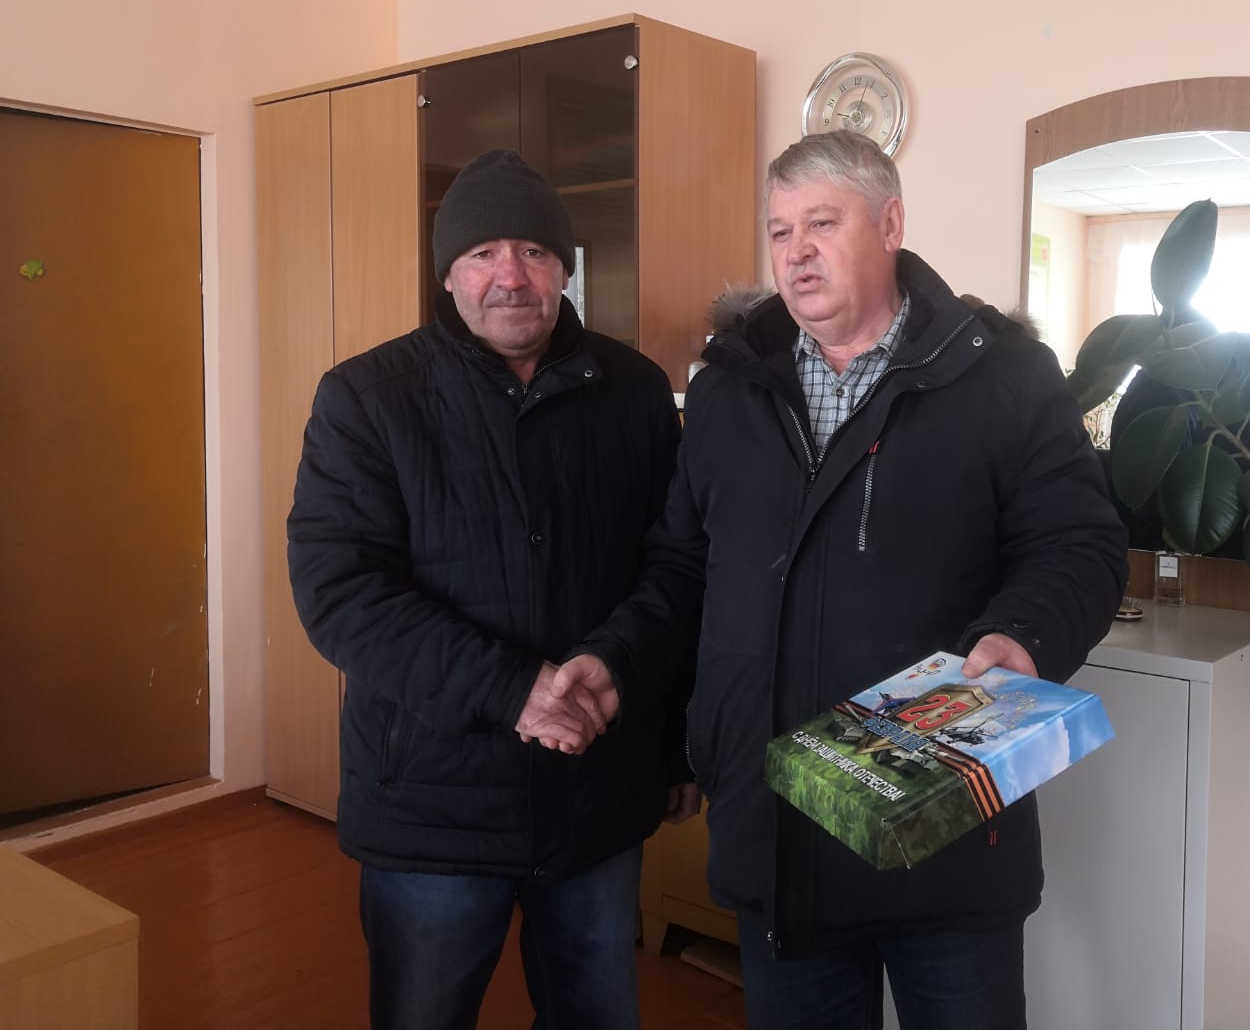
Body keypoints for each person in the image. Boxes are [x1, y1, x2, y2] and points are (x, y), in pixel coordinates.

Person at [541, 132, 1129, 1029]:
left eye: (822, 223)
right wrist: (617, 658)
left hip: (941, 815)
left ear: (890, 224)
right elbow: (684, 567)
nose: (796, 252)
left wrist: (1025, 635)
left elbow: (1077, 543)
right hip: (777, 824)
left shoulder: (1002, 376)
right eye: (780, 231)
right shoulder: (729, 387)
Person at [287, 148, 694, 1030]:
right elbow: (341, 590)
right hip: (432, 799)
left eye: (534, 251)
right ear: (448, 273)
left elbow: (678, 565)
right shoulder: (367, 397)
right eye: (482, 253)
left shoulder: (634, 393)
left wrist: (642, 704)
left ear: (564, 267)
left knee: (595, 1011)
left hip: (597, 788)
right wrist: (514, 690)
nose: (510, 276)